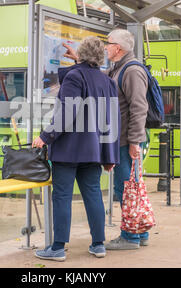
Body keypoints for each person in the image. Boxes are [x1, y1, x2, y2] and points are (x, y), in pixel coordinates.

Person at [32, 36, 120, 261]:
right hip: (93, 151)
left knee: (62, 196)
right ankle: (99, 244)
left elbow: (66, 113)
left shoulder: (74, 77)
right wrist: (109, 154)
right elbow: (112, 119)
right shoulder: (106, 81)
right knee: (92, 194)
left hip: (69, 149)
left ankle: (58, 248)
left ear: (81, 55)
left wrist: (45, 136)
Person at [63, 28, 149, 250]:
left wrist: (134, 142)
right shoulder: (118, 68)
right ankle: (140, 232)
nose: (105, 46)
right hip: (121, 139)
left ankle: (130, 237)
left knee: (126, 188)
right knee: (132, 186)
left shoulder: (132, 71)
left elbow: (139, 108)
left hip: (126, 141)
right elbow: (100, 77)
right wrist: (79, 60)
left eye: (108, 43)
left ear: (118, 48)